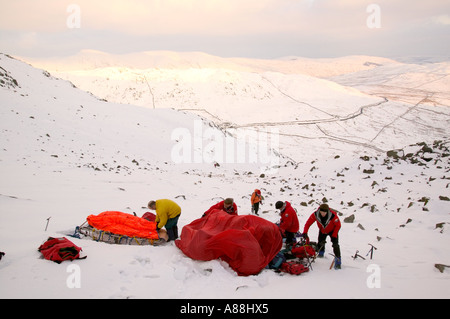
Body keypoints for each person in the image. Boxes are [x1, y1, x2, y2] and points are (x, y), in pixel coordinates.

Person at [302, 203, 342, 269]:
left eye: (324, 213)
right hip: (323, 230)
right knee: (320, 242)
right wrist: (305, 232)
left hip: (333, 230)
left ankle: (338, 260)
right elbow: (308, 223)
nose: (322, 214)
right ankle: (321, 253)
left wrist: (334, 234)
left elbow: (338, 225)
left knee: (335, 245)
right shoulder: (315, 214)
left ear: (327, 211)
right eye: (321, 212)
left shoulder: (333, 216)